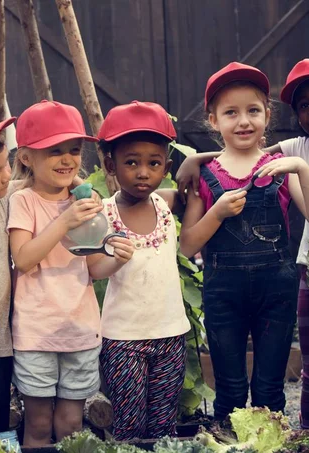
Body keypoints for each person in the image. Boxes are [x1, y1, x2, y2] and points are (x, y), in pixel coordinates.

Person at [175, 56, 309, 428]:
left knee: (269, 387)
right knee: (229, 386)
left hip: (275, 291)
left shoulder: (281, 165)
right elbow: (186, 245)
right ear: (213, 120)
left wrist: (302, 169)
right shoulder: (207, 175)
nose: (243, 121)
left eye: (253, 111)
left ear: (267, 115)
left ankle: (270, 442)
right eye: (231, 113)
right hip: (223, 293)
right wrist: (217, 214)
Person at [8, 100, 133, 446]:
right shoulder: (24, 202)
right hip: (36, 333)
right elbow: (23, 259)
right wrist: (65, 219)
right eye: (55, 151)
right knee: (37, 424)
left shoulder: (86, 202)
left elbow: (91, 267)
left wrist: (117, 260)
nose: (67, 160)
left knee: (71, 424)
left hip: (80, 328)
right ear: (26, 157)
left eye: (74, 150)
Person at [97, 101, 190, 440]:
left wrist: (192, 159)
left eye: (153, 163)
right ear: (111, 165)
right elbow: (94, 269)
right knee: (129, 424)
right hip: (123, 339)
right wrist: (116, 259)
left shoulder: (164, 206)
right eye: (131, 162)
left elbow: (188, 183)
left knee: (164, 425)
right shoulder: (104, 213)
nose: (142, 172)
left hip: (171, 333)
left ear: (165, 166)